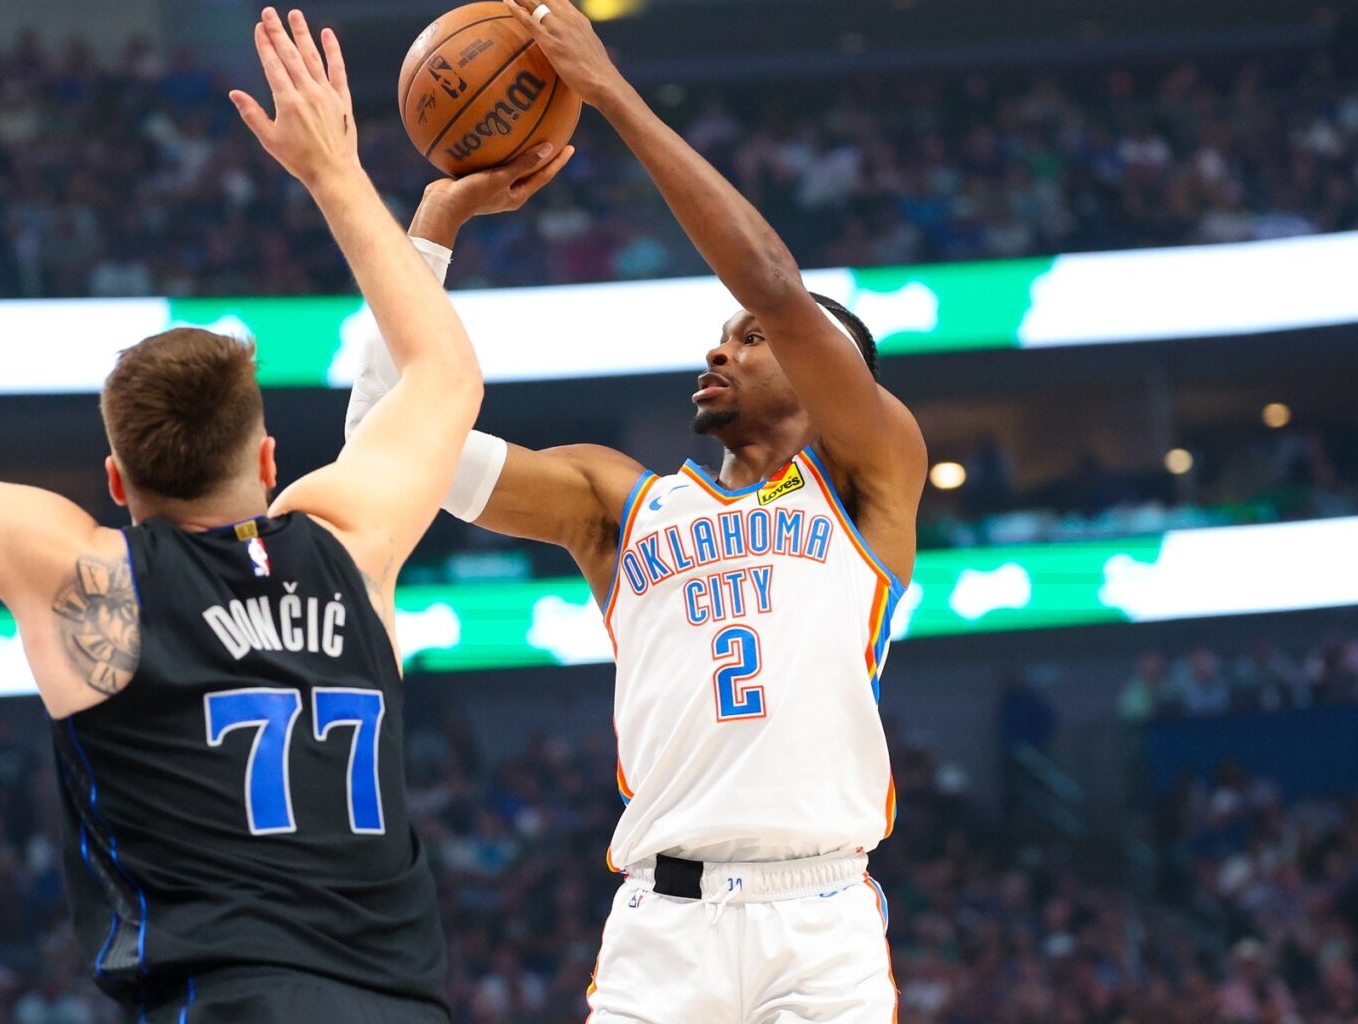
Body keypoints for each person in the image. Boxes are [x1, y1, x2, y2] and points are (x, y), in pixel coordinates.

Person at [0, 8, 485, 1020]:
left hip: (227, 1002)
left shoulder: (91, 579)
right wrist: (334, 172)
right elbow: (446, 372)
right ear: (271, 457)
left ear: (116, 482)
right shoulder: (348, 541)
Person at [348, 2, 927, 1019]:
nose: (720, 347)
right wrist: (433, 228)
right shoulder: (621, 503)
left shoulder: (868, 477)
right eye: (721, 333)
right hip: (663, 924)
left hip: (822, 913)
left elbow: (778, 283)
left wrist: (608, 90)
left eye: (748, 339)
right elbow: (384, 442)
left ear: (827, 375)